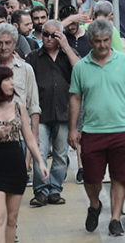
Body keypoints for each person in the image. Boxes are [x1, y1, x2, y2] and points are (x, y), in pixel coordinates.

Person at [68, 19, 125, 237]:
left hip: (122, 128)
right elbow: (75, 99)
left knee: (119, 176)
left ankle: (115, 219)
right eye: (98, 41)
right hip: (93, 130)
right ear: (91, 41)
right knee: (91, 178)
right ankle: (94, 205)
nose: (103, 45)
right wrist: (73, 129)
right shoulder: (81, 67)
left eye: (106, 41)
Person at [0, 66, 47, 243]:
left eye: (12, 79)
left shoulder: (19, 107)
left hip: (15, 165)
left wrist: (40, 162)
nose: (12, 83)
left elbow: (29, 137)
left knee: (11, 220)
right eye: (7, 80)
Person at [25, 19, 80, 207]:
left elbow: (81, 69)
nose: (48, 38)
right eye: (45, 34)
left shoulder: (68, 55)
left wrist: (66, 45)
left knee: (60, 154)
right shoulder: (33, 57)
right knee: (39, 152)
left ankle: (55, 189)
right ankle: (41, 191)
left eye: (53, 35)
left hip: (65, 113)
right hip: (40, 112)